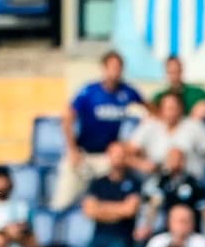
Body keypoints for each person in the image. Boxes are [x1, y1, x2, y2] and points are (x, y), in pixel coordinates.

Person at [58, 52, 145, 211]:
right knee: (64, 199)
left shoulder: (127, 92)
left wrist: (128, 146)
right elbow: (68, 118)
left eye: (119, 67)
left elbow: (150, 111)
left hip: (107, 157)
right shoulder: (89, 92)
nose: (115, 71)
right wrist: (72, 149)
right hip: (84, 154)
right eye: (112, 67)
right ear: (104, 68)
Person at [126, 91, 205, 206]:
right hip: (158, 185)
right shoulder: (150, 127)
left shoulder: (193, 126)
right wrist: (140, 163)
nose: (171, 112)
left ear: (181, 109)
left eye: (174, 108)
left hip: (192, 187)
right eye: (167, 108)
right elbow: (125, 154)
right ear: (161, 110)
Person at [82, 141, 143, 247]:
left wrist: (101, 208)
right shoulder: (98, 183)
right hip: (98, 236)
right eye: (115, 154)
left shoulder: (134, 183)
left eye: (121, 154)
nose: (118, 158)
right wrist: (119, 209)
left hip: (122, 237)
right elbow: (89, 211)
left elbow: (129, 210)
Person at [139, 148, 205, 241]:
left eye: (178, 158)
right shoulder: (161, 181)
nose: (175, 162)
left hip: (192, 232)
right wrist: (146, 226)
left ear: (184, 161)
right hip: (167, 231)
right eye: (172, 158)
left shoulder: (194, 182)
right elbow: (153, 206)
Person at [151, 55, 205, 120]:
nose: (174, 75)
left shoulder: (197, 92)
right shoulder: (160, 96)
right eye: (171, 72)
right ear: (166, 72)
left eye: (176, 70)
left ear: (181, 69)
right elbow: (150, 111)